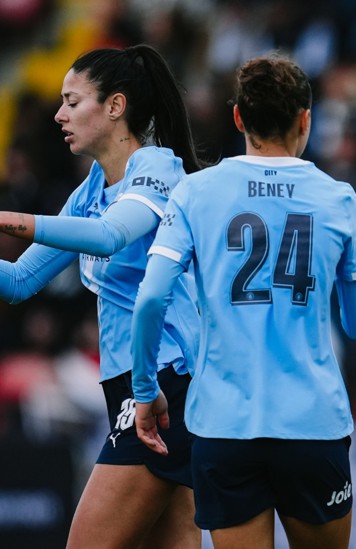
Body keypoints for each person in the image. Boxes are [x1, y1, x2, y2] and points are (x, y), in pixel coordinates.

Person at [130, 54, 356, 549]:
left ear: (239, 118)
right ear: (306, 119)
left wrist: (145, 390)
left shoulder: (195, 192)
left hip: (223, 427)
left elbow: (151, 298)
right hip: (312, 425)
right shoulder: (337, 198)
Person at [0, 45, 203, 548]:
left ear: (115, 107)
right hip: (137, 389)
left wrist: (5, 219)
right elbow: (20, 282)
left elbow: (111, 235)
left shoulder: (157, 169)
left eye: (72, 101)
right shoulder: (92, 186)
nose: (58, 114)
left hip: (162, 386)